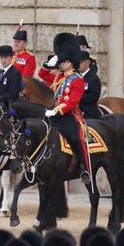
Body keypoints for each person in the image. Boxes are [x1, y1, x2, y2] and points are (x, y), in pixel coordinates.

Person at [44, 32, 91, 184]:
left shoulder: (77, 80)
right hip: (56, 114)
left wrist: (57, 111)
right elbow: (43, 74)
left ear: (71, 63)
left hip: (69, 115)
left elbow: (71, 102)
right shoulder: (60, 78)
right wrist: (53, 60)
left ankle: (84, 168)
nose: (61, 64)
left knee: (75, 137)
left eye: (63, 62)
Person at [78, 51, 101, 119]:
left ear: (87, 63)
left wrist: (77, 97)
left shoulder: (93, 78)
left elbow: (94, 96)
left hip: (88, 111)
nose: (78, 65)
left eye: (80, 63)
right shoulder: (75, 76)